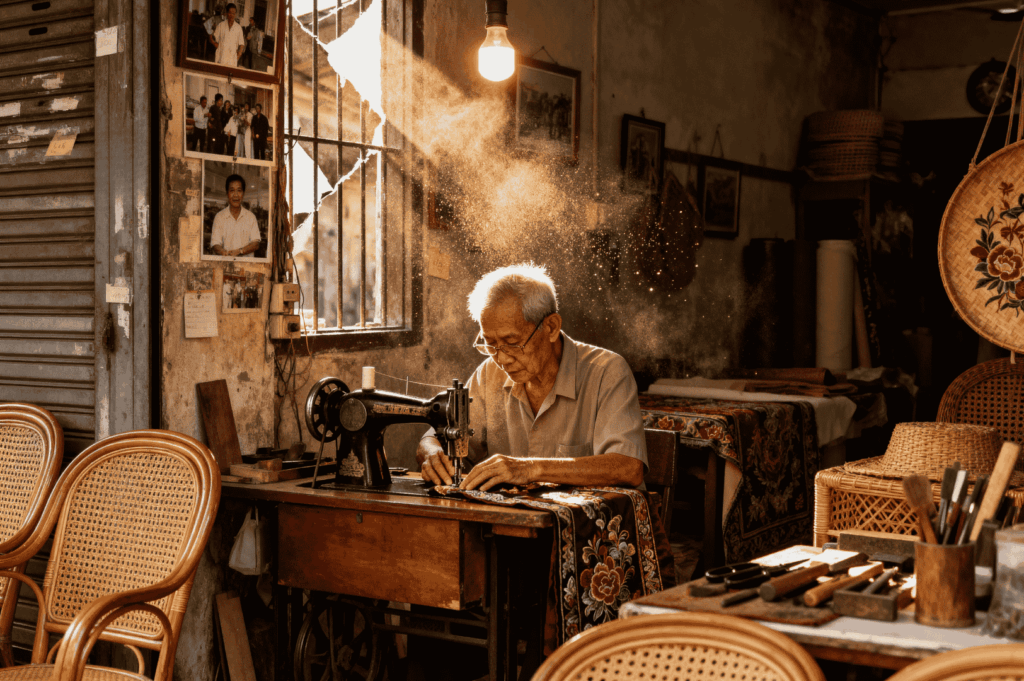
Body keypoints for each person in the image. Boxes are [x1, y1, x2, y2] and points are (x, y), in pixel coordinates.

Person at [417, 263, 646, 492]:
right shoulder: (489, 374)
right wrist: (432, 453)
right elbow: (436, 438)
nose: (502, 359)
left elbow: (628, 467)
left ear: (551, 327)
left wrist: (529, 468)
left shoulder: (607, 372)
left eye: (512, 343)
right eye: (490, 344)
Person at [210, 174, 261, 257]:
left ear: (243, 193)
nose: (236, 195)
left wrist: (240, 251)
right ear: (227, 193)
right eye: (232, 190)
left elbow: (255, 244)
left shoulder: (251, 217)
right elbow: (215, 244)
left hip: (246, 264)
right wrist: (224, 253)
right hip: (226, 263)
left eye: (239, 190)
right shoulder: (219, 217)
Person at [210, 3, 245, 68]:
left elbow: (241, 44)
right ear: (226, 13)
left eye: (234, 13)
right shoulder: (221, 25)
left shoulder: (238, 28)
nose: (232, 15)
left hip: (232, 61)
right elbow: (214, 40)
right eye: (230, 13)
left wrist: (237, 57)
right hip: (221, 59)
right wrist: (220, 48)